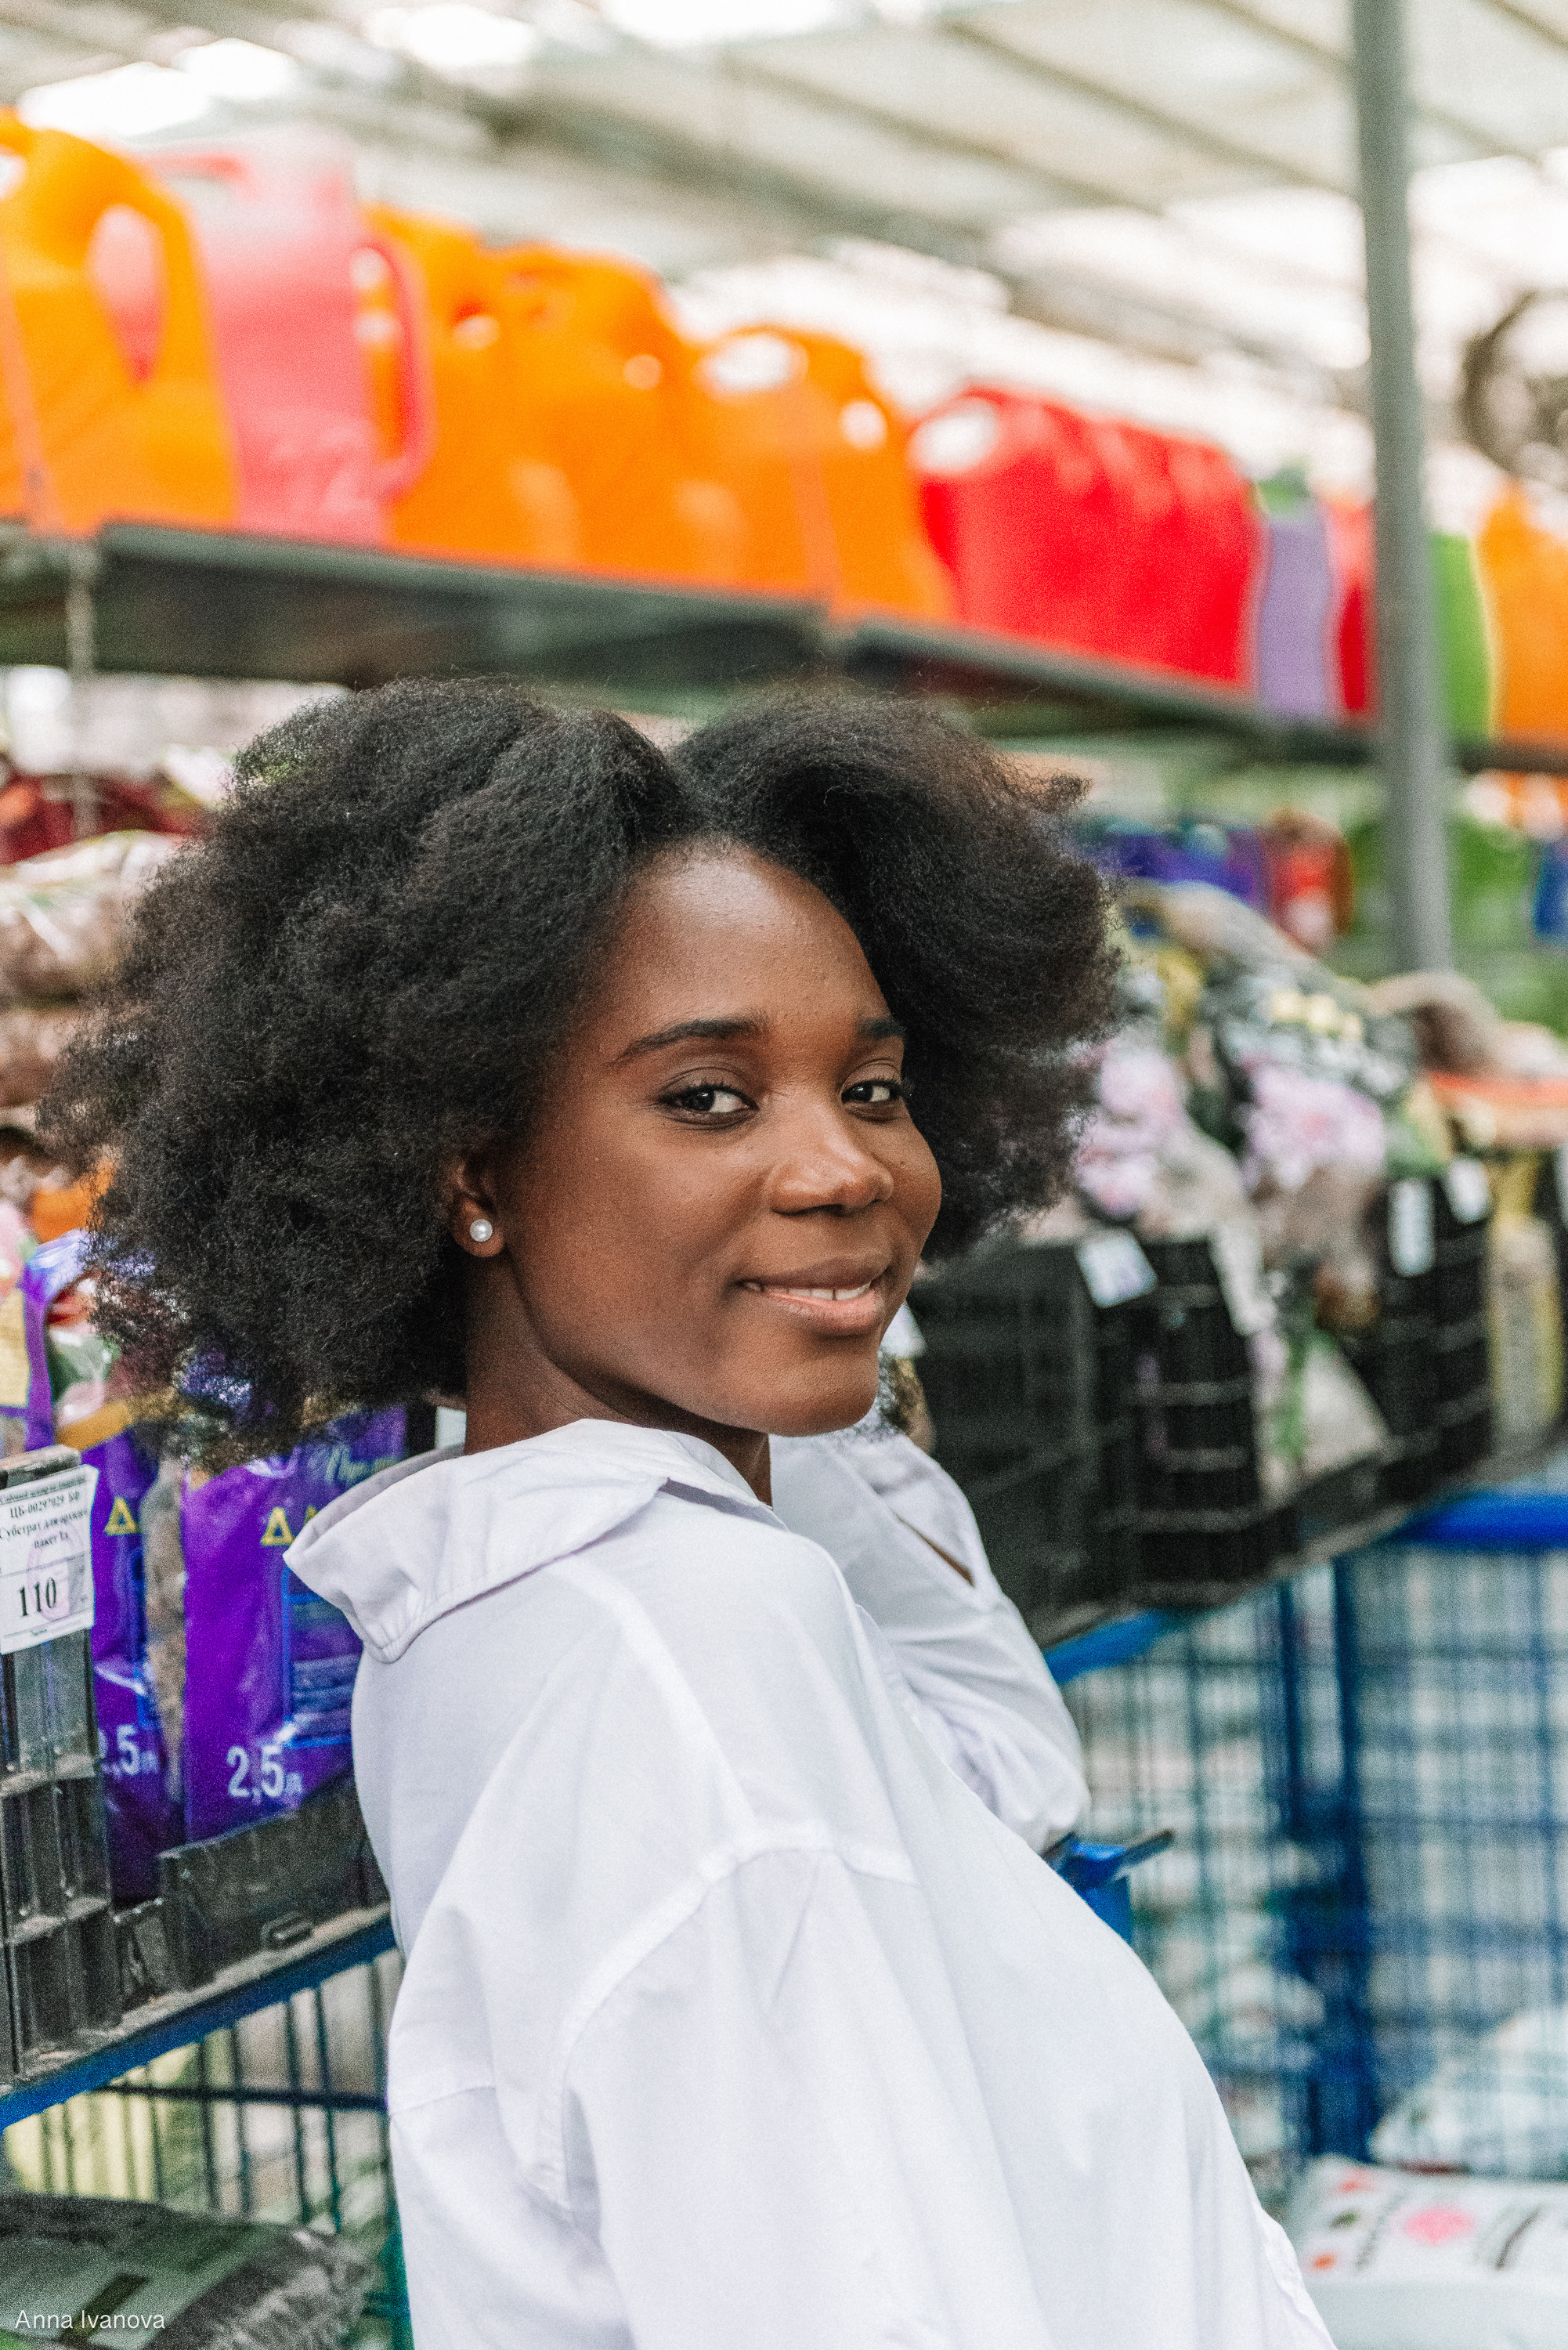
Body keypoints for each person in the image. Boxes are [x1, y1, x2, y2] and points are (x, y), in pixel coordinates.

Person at [46, 683, 1331, 2349]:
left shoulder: (555, 1594)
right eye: (706, 1099)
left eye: (870, 1088)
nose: (843, 1168)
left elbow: (997, 1763)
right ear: (468, 1174)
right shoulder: (689, 1659)